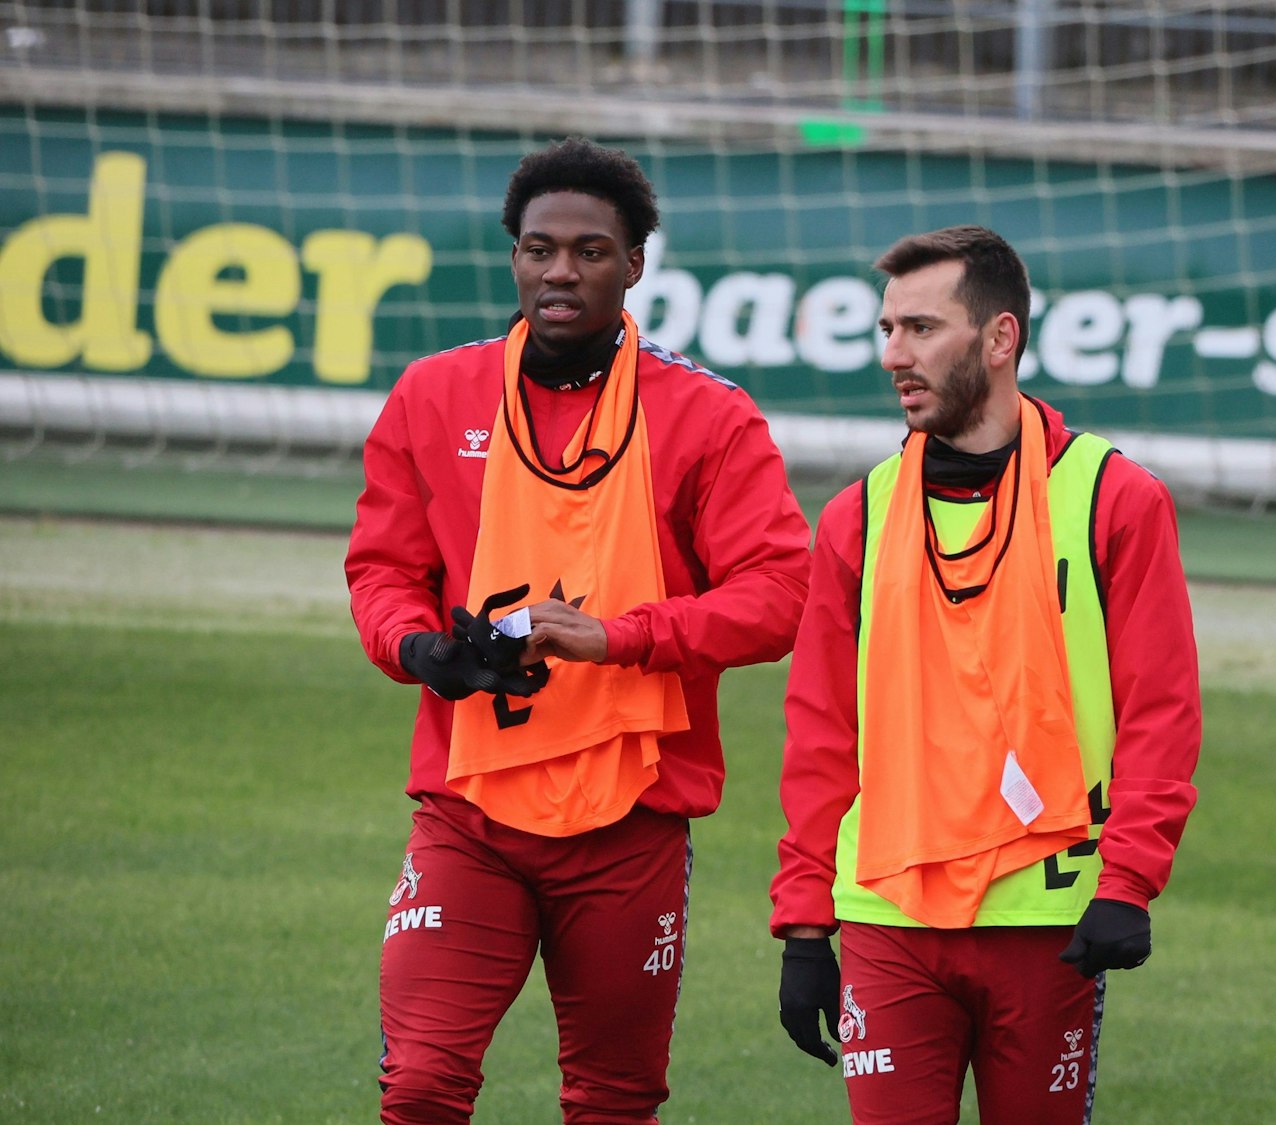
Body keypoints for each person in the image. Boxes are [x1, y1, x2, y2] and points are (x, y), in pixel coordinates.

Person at [345, 136, 811, 1124]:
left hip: (631, 817)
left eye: (590, 250)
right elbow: (382, 570)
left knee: (612, 1099)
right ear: (513, 256)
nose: (560, 269)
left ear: (635, 262)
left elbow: (782, 595)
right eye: (539, 248)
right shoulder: (433, 396)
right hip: (468, 810)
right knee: (421, 1083)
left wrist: (622, 638)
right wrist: (417, 648)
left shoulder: (709, 418)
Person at [768, 225, 1202, 1123]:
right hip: (888, 912)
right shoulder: (857, 515)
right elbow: (820, 729)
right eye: (888, 329)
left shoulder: (1118, 498)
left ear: (1000, 338)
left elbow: (1160, 711)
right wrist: (807, 919)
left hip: (1050, 920)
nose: (895, 354)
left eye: (921, 328)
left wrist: (1129, 881)